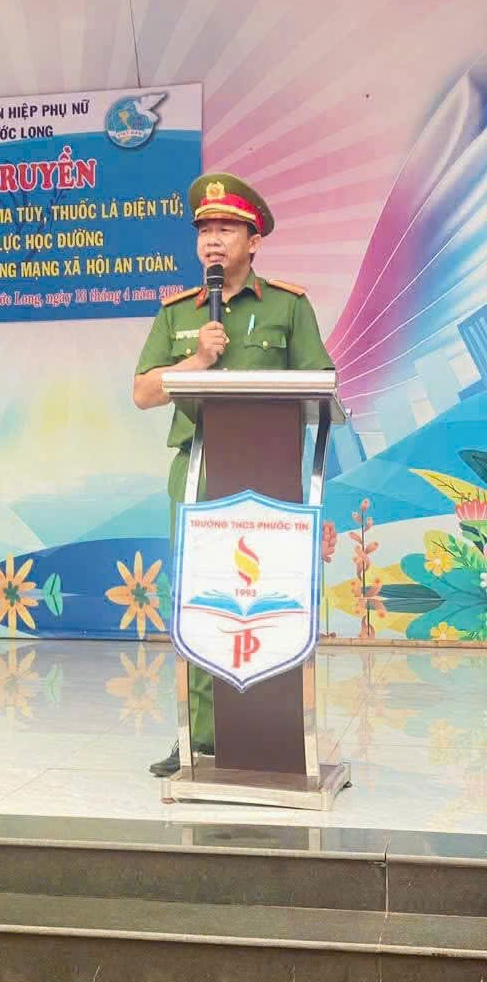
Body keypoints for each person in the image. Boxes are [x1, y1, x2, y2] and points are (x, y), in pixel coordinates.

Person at [132, 172, 333, 777]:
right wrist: (197, 359)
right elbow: (143, 393)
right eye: (205, 231)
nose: (213, 241)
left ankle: (271, 729)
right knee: (201, 599)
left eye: (227, 229)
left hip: (270, 474)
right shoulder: (178, 314)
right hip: (197, 468)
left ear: (254, 241)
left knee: (268, 597)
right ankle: (198, 736)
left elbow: (321, 387)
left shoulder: (288, 306)